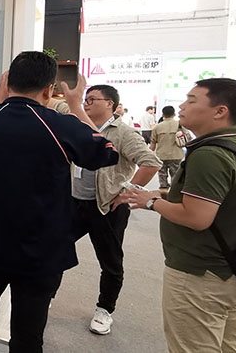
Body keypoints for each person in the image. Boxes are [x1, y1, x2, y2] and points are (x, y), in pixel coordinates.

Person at [0, 51, 120, 352]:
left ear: (7, 83)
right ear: (48, 89)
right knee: (28, 334)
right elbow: (107, 152)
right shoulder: (62, 125)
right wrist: (76, 106)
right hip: (41, 249)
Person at [124, 78, 236, 353]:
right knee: (230, 346)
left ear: (220, 111)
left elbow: (197, 217)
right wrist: (165, 195)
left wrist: (151, 202)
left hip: (200, 276)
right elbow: (219, 200)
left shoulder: (210, 154)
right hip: (228, 270)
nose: (182, 106)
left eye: (192, 100)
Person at [71, 84, 162, 335]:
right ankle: (47, 294)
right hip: (75, 201)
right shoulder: (79, 126)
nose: (87, 103)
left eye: (92, 99)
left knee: (110, 260)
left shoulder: (123, 132)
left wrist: (127, 191)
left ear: (110, 103)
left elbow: (151, 162)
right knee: (55, 247)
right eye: (85, 99)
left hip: (107, 206)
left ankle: (105, 309)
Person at [151, 106, 191, 189]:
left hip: (161, 155)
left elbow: (153, 144)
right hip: (176, 155)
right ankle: (174, 191)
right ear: (174, 114)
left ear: (163, 115)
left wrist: (150, 155)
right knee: (176, 175)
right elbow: (189, 139)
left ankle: (163, 190)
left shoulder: (157, 127)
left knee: (162, 175)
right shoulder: (180, 125)